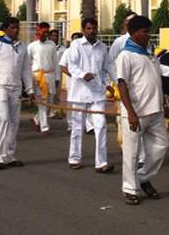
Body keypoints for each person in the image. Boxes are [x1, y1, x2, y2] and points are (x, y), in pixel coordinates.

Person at [116, 15, 168, 205]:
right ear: (133, 33)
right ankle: (130, 189)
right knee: (131, 154)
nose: (149, 35)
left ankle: (143, 177)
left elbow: (156, 77)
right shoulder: (126, 55)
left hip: (155, 111)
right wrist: (130, 112)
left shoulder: (150, 53)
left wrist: (163, 105)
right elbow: (122, 84)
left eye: (149, 31)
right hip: (136, 113)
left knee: (161, 148)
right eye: (145, 32)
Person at [0, 17, 36, 170]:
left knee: (14, 122)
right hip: (0, 86)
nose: (15, 30)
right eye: (12, 27)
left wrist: (30, 90)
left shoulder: (23, 47)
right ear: (5, 29)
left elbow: (25, 70)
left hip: (16, 88)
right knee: (3, 119)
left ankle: (9, 156)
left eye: (17, 27)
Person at [66, 18, 116, 173]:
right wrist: (82, 74)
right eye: (88, 28)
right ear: (83, 29)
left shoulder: (102, 47)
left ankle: (101, 163)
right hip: (79, 92)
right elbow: (71, 65)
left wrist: (110, 83)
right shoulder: (75, 45)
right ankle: (74, 158)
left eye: (94, 28)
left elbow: (105, 68)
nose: (92, 31)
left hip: (97, 93)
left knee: (101, 126)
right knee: (78, 127)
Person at [27, 28, 58, 135]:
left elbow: (55, 62)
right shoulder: (32, 46)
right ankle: (44, 127)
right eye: (43, 32)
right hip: (38, 77)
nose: (45, 35)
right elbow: (27, 63)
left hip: (50, 75)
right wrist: (29, 79)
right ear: (38, 33)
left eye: (46, 33)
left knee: (49, 102)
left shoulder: (52, 45)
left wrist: (57, 78)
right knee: (42, 102)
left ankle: (36, 119)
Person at [59, 32, 83, 132]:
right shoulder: (68, 51)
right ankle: (71, 125)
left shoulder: (85, 51)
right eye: (74, 39)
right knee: (71, 104)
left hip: (84, 83)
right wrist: (74, 74)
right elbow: (63, 67)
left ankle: (87, 126)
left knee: (84, 103)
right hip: (72, 82)